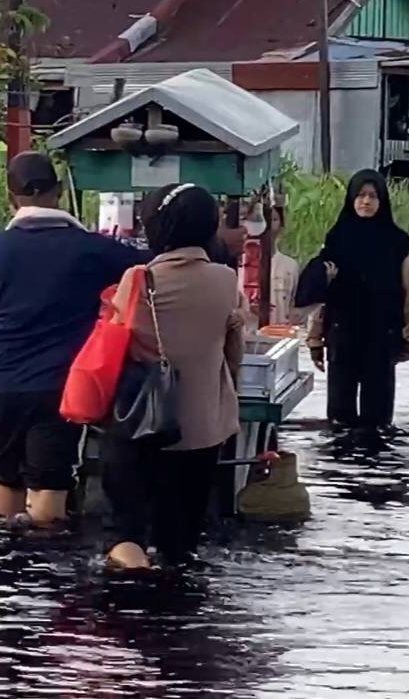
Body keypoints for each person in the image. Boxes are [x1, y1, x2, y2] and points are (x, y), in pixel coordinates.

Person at [0, 151, 147, 527]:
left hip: (0, 383)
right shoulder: (91, 248)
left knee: (5, 484)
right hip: (57, 387)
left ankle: (3, 578)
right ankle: (43, 578)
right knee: (49, 493)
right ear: (58, 193)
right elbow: (150, 268)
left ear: (11, 199)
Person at [101, 183, 244, 570]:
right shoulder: (226, 281)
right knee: (180, 545)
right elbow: (235, 355)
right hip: (201, 430)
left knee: (128, 536)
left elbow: (113, 344)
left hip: (140, 425)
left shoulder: (138, 280)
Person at [296, 170, 409, 431]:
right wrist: (315, 339)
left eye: (373, 196)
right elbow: (321, 295)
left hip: (383, 336)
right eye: (361, 195)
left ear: (382, 201)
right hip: (342, 335)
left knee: (377, 419)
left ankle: (375, 468)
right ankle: (340, 470)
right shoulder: (336, 241)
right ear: (351, 199)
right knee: (339, 417)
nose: (366, 201)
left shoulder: (399, 244)